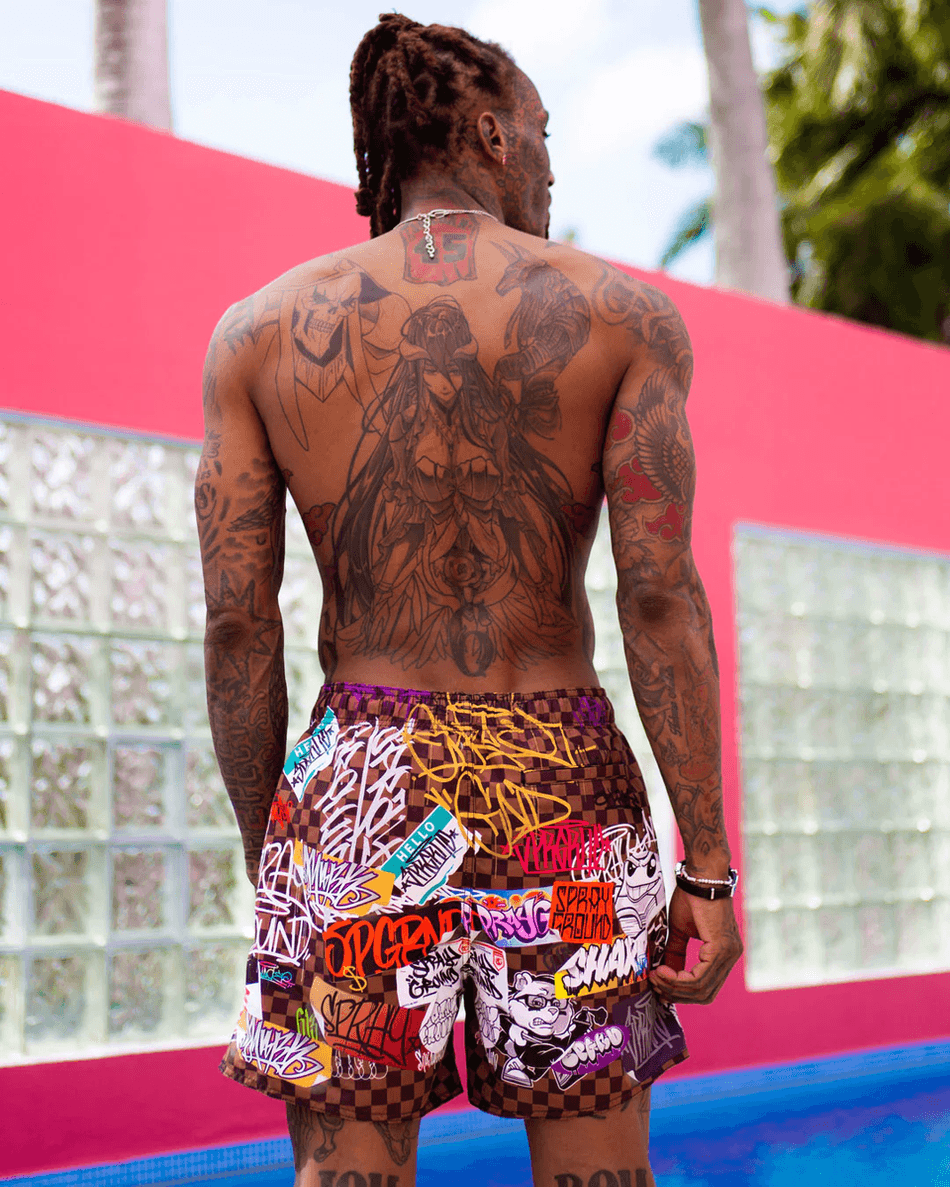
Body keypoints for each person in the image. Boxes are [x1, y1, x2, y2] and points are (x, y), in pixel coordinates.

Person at [196, 14, 742, 1187]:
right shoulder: (621, 316)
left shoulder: (254, 333)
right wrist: (704, 864)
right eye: (542, 132)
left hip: (358, 788)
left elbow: (240, 621)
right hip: (561, 793)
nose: (549, 163)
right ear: (492, 134)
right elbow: (657, 594)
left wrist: (274, 847)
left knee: (348, 1173)